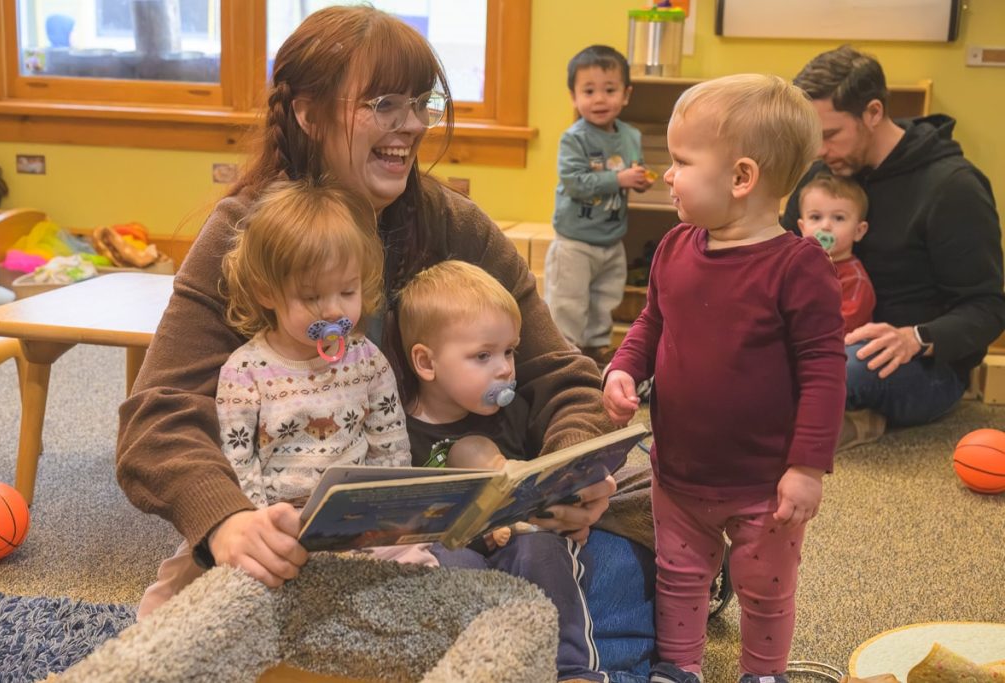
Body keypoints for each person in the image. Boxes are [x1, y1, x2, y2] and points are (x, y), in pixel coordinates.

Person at [116, 4, 615, 606]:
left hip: (443, 510)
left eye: (421, 102)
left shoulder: (456, 225)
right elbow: (157, 417)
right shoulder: (246, 234)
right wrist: (227, 521)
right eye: (384, 104)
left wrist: (570, 471)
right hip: (287, 523)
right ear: (308, 114)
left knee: (644, 522)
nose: (413, 124)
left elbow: (561, 376)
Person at [603, 74, 846, 683]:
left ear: (741, 178)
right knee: (679, 577)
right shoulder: (674, 247)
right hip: (679, 470)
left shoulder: (799, 267)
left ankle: (762, 673)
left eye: (682, 161)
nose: (667, 174)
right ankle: (679, 666)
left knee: (764, 588)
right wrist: (624, 366)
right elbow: (652, 321)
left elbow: (824, 370)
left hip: (765, 481)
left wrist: (807, 467)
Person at [136, 178, 438, 619]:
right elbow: (239, 460)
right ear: (267, 292)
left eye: (348, 292)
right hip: (272, 515)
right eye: (311, 297)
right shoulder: (246, 371)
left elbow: (388, 442)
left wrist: (385, 512)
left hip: (348, 516)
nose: (334, 311)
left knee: (419, 572)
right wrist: (258, 524)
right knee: (178, 589)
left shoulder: (368, 361)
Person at [781, 45, 1005, 449]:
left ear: (873, 112)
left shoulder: (953, 187)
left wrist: (914, 337)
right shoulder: (823, 173)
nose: (818, 150)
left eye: (829, 135)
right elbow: (779, 257)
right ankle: (827, 419)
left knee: (838, 370)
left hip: (915, 363)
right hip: (819, 339)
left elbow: (987, 308)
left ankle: (824, 420)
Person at [397, 259, 605, 683]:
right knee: (445, 564)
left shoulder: (515, 413)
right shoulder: (399, 428)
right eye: (483, 355)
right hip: (450, 548)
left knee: (544, 551)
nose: (505, 368)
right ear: (426, 363)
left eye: (509, 351)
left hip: (520, 539)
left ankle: (572, 670)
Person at [546, 44, 654, 369]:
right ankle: (563, 359)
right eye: (589, 91)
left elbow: (633, 170)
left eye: (610, 90)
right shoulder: (574, 138)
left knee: (605, 301)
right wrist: (619, 179)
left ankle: (595, 354)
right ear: (573, 96)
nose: (599, 99)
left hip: (611, 238)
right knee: (568, 303)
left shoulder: (631, 136)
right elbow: (574, 181)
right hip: (575, 242)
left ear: (626, 94)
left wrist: (640, 180)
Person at [796, 173, 876, 334]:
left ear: (859, 231)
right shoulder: (797, 268)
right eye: (816, 217)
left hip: (842, 343)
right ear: (802, 228)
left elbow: (840, 325)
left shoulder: (854, 280)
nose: (825, 226)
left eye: (839, 218)